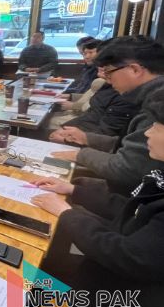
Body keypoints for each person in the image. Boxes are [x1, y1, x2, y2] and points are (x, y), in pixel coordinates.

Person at [15, 87, 164, 307]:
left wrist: (67, 213)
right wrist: (74, 191)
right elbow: (131, 209)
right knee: (24, 274)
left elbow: (127, 255)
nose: (148, 133)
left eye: (158, 127)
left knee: (15, 291)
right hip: (102, 282)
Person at [50, 36, 164, 194]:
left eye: (109, 72)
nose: (108, 80)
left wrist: (80, 155)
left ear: (135, 70)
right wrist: (86, 137)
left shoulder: (157, 105)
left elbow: (127, 169)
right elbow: (130, 145)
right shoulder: (148, 97)